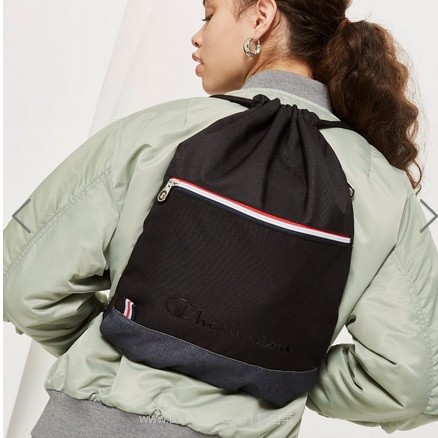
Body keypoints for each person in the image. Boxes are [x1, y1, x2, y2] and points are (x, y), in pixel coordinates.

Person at [3, 0, 438, 436]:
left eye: (209, 15)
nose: (198, 36)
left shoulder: (154, 132)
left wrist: (119, 337)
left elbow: (25, 285)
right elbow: (412, 385)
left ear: (261, 18)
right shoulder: (382, 188)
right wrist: (285, 376)